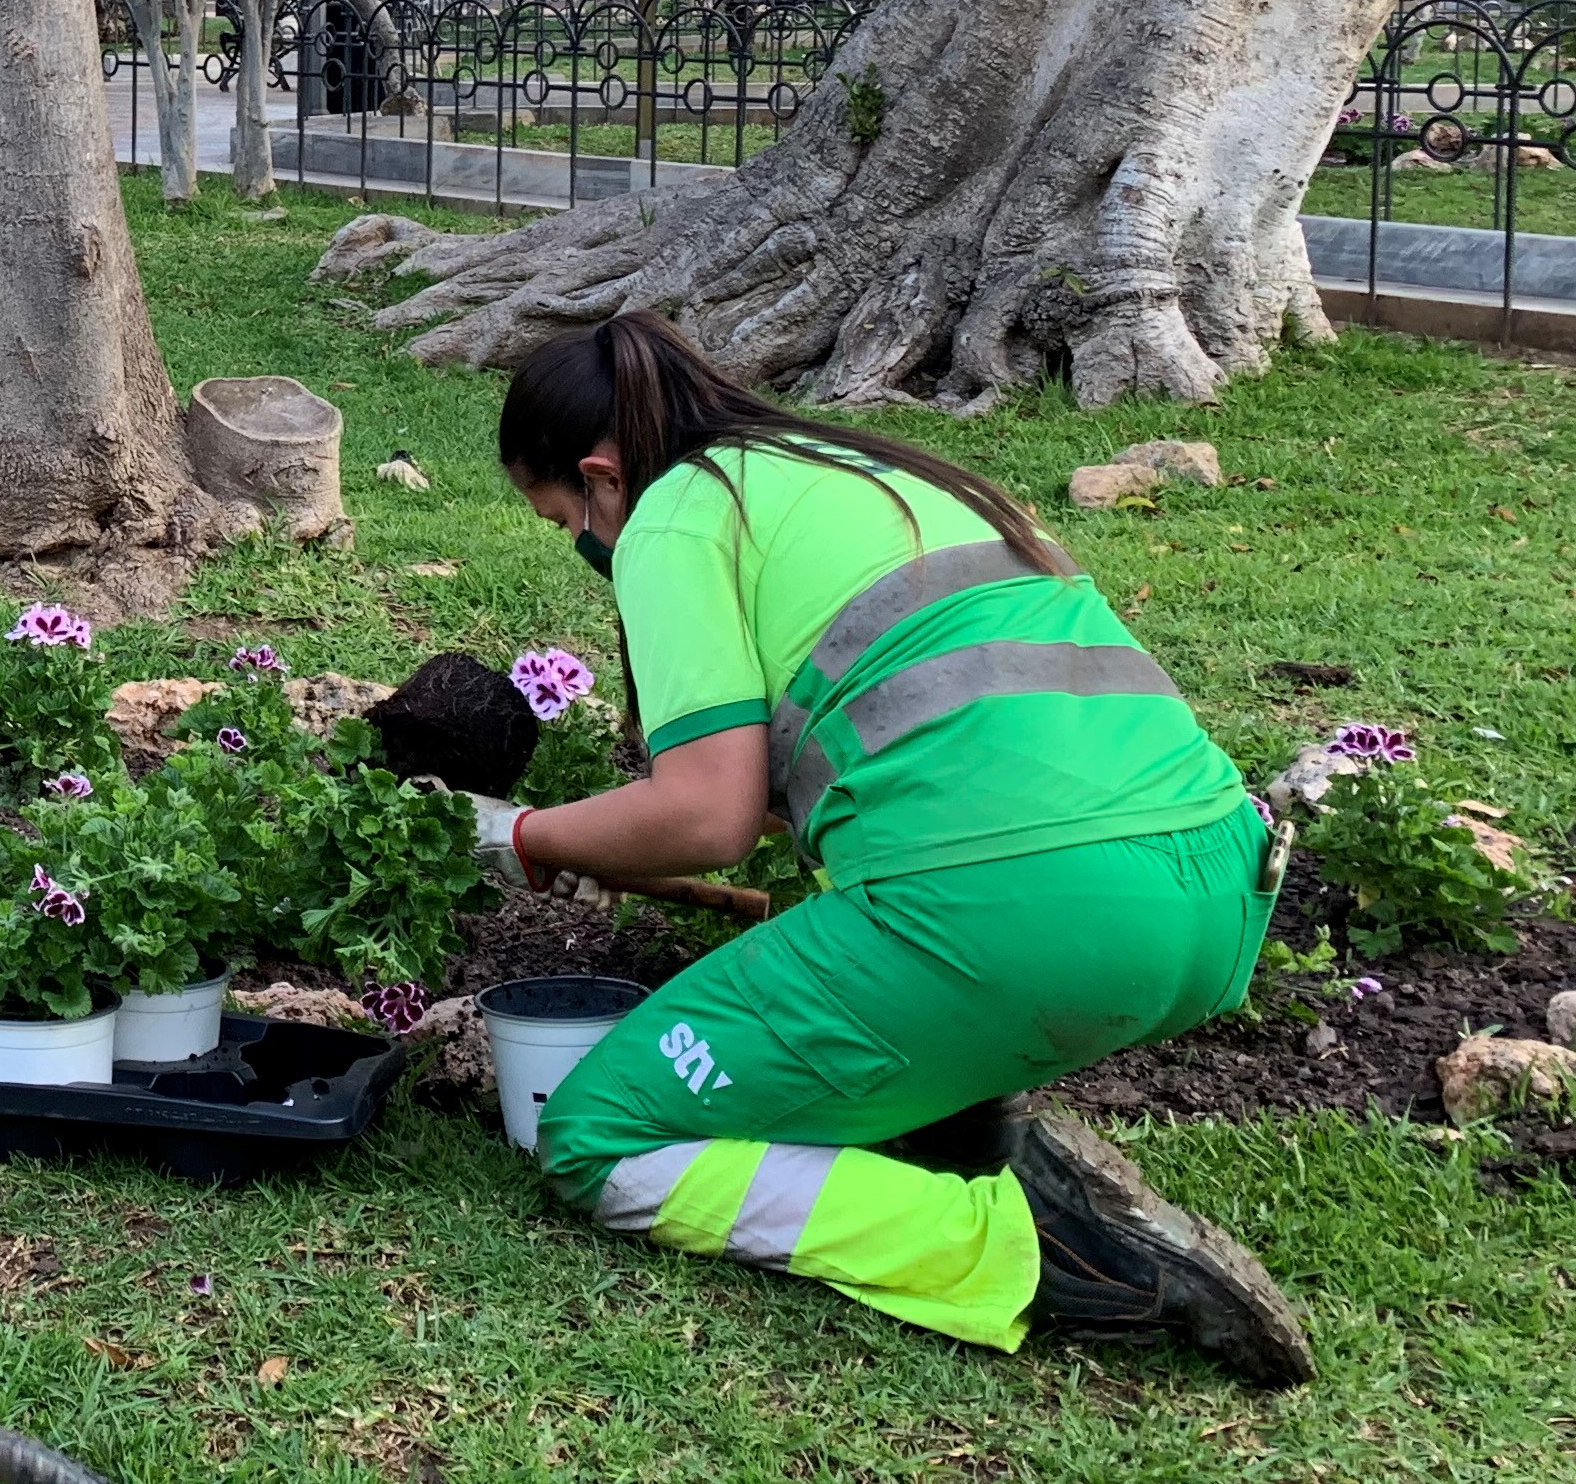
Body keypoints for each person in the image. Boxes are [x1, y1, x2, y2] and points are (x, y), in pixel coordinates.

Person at [475, 310, 1311, 1385]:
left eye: (565, 521)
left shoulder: (680, 511)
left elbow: (706, 819)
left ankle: (1026, 1246)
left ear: (601, 475)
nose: (586, 547)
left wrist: (518, 837)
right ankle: (961, 1120)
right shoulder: (857, 469)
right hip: (1214, 890)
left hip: (1027, 920)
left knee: (600, 1133)